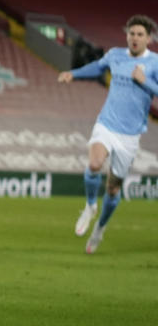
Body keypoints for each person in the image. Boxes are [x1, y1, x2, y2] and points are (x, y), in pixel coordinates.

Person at [58, 15, 158, 254]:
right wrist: (74, 74)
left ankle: (99, 230)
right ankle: (90, 206)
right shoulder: (115, 55)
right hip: (107, 124)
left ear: (149, 39)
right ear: (127, 35)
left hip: (130, 135)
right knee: (94, 164)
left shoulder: (155, 63)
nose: (134, 38)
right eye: (131, 33)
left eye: (140, 35)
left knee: (113, 189)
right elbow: (97, 68)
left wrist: (146, 82)